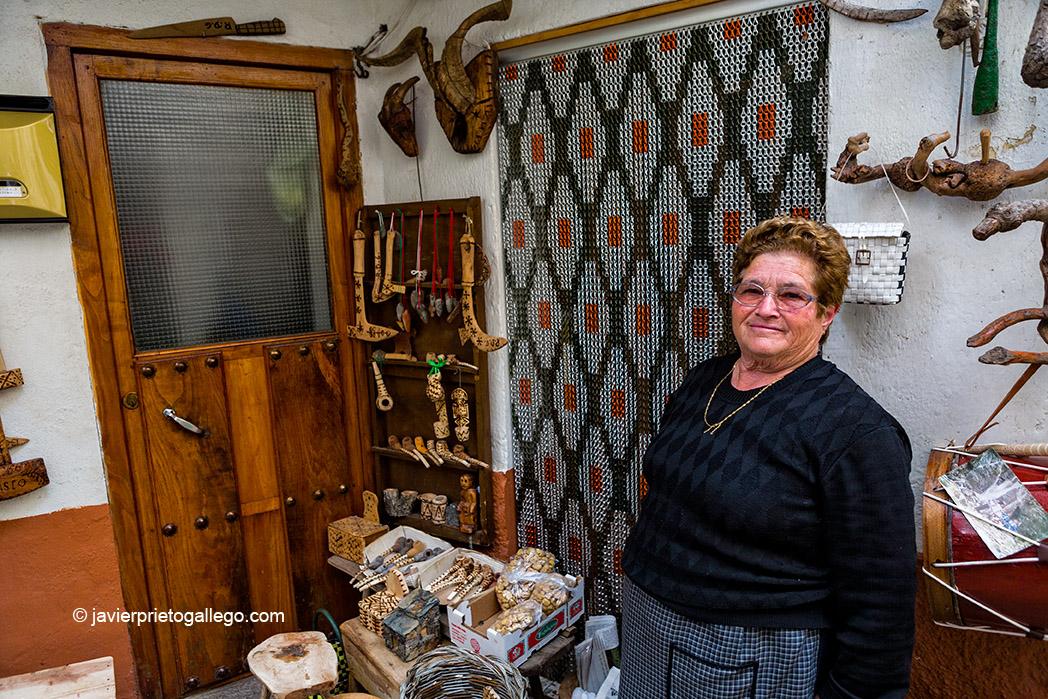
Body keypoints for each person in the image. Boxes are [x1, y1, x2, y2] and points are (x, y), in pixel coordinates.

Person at [620, 217, 916, 699]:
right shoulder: (702, 381)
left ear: (827, 313)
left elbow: (880, 600)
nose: (766, 308)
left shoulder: (856, 431)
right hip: (647, 630)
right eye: (751, 290)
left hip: (754, 654)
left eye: (792, 295)